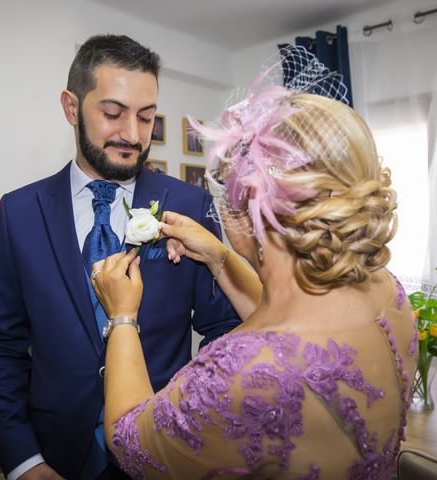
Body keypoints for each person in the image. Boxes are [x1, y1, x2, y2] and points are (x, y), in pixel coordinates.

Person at [91, 46, 417, 479]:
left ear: (243, 216)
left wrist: (123, 316)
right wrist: (219, 256)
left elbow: (130, 442)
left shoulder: (239, 373)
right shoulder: (387, 291)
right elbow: (285, 317)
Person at [0, 34, 240, 480]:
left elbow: (225, 330)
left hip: (165, 450)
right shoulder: (20, 212)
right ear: (71, 108)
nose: (133, 135)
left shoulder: (190, 205)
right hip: (57, 450)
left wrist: (195, 418)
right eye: (113, 114)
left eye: (147, 117)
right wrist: (23, 462)